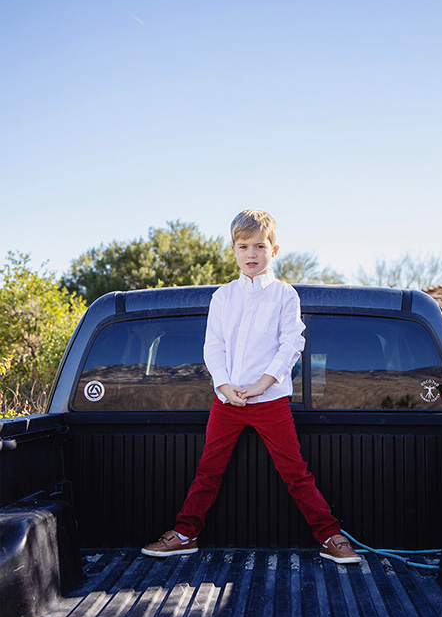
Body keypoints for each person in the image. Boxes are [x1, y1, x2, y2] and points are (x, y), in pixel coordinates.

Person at [142, 209, 360, 564]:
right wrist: (224, 386)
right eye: (243, 246)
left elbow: (292, 343)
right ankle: (185, 533)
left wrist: (263, 384)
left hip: (270, 400)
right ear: (234, 250)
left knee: (296, 472)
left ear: (274, 250)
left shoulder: (285, 296)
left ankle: (330, 536)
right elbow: (213, 347)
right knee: (208, 470)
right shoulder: (223, 297)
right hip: (226, 401)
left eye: (260, 245)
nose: (251, 254)